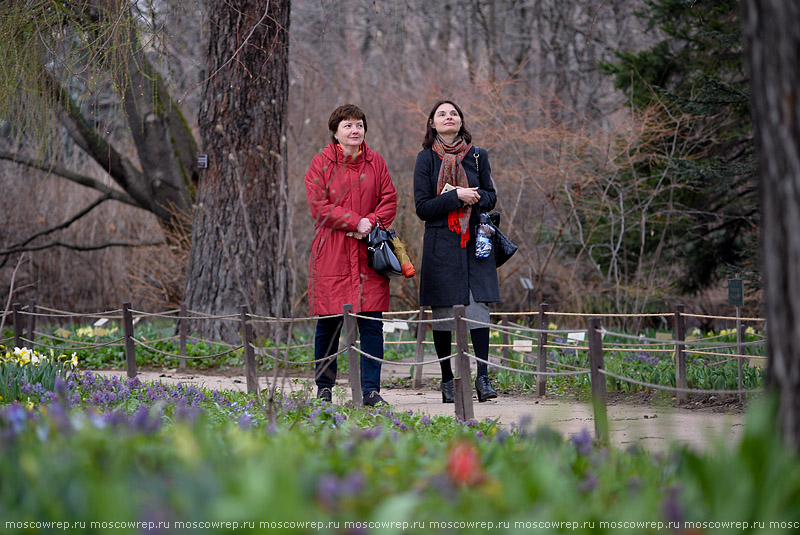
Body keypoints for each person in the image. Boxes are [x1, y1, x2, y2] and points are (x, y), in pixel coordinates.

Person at [304, 104, 397, 407]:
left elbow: (389, 199)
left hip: (369, 252)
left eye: (359, 125)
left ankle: (370, 390)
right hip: (332, 252)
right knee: (329, 323)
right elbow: (318, 206)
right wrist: (354, 221)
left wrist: (370, 223)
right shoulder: (320, 163)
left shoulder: (376, 162)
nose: (355, 131)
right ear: (335, 131)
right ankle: (324, 388)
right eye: (348, 126)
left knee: (372, 323)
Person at [413, 100, 499, 403]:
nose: (449, 117)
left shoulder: (477, 156)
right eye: (442, 114)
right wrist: (456, 197)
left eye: (454, 113)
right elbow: (422, 208)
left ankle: (483, 379)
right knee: (443, 314)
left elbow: (490, 197)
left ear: (461, 121)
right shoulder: (425, 159)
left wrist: (472, 196)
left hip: (475, 241)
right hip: (441, 245)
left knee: (479, 309)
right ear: (432, 124)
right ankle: (448, 381)